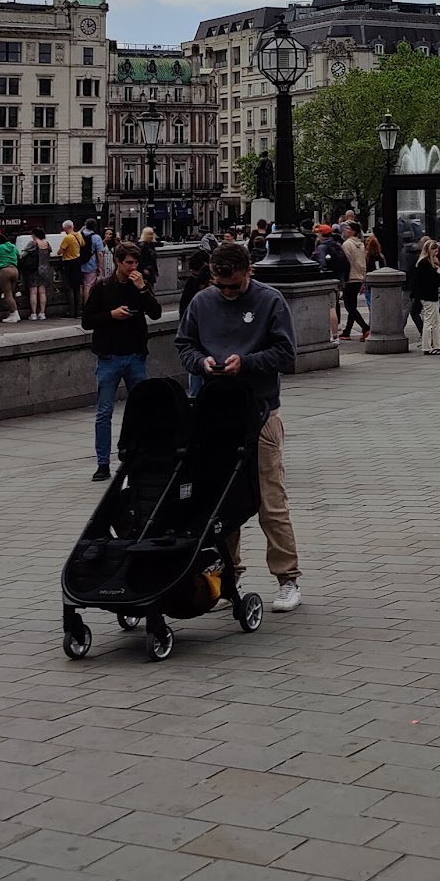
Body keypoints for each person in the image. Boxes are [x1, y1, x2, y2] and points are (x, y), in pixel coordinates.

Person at [173, 241, 301, 612]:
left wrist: (245, 363)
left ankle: (287, 578)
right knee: (219, 500)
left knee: (270, 501)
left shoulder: (270, 301)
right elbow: (185, 344)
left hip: (260, 411)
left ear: (249, 272)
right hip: (216, 412)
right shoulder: (202, 302)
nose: (227, 292)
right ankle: (226, 575)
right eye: (221, 285)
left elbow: (285, 352)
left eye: (235, 286)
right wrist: (201, 363)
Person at [83, 247, 164, 481]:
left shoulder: (140, 284)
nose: (133, 268)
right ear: (118, 262)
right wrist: (111, 315)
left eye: (136, 263)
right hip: (109, 357)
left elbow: (156, 313)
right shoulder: (103, 286)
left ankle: (141, 458)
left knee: (143, 410)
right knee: (104, 412)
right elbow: (87, 321)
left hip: (135, 355)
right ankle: (103, 463)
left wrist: (142, 290)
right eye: (128, 263)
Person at [408, 237, 440, 354]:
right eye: (435, 250)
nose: (436, 253)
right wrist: (438, 274)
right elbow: (430, 281)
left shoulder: (424, 262)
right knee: (430, 321)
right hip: (428, 296)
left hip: (428, 295)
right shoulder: (425, 263)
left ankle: (436, 345)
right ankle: (427, 347)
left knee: (435, 321)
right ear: (430, 250)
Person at [0, 232, 22, 323]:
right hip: (15, 270)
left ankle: (13, 314)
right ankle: (16, 314)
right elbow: (19, 255)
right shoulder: (13, 247)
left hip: (5, 270)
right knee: (13, 293)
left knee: (8, 295)